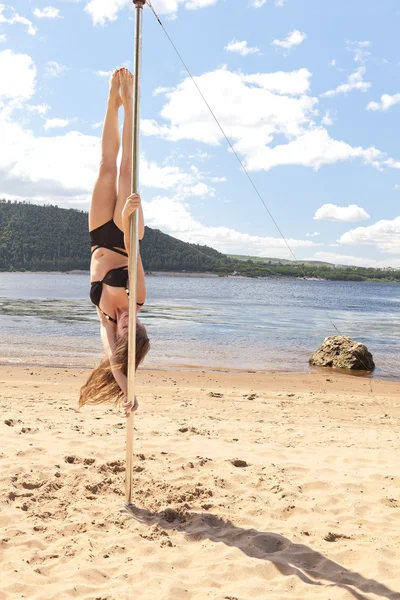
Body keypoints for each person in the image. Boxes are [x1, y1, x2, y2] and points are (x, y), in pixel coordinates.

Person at [79, 68, 150, 416]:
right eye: (131, 327)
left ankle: (112, 100)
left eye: (123, 331)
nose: (124, 323)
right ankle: (130, 101)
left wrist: (128, 393)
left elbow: (113, 359)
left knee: (106, 166)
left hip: (97, 238)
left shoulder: (106, 317)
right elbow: (133, 247)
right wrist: (127, 215)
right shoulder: (137, 298)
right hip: (126, 234)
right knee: (126, 171)